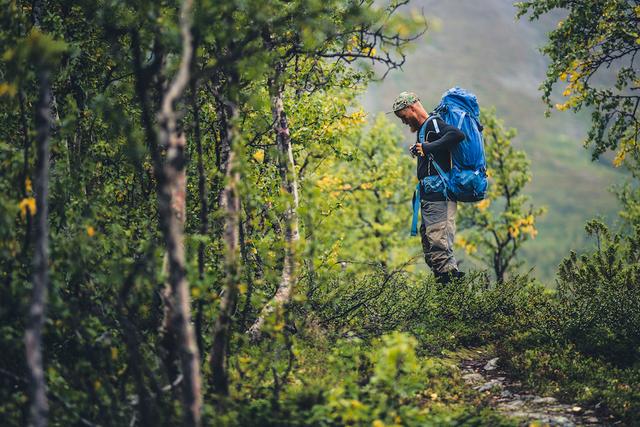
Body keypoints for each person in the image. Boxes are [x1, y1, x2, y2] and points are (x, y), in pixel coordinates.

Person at [392, 91, 465, 284]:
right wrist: (421, 148)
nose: (403, 121)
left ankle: (454, 303)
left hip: (440, 199)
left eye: (403, 116)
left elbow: (457, 135)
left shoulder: (433, 123)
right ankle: (447, 298)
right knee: (432, 251)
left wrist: (427, 148)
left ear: (411, 107)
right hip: (430, 200)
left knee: (440, 250)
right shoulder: (425, 128)